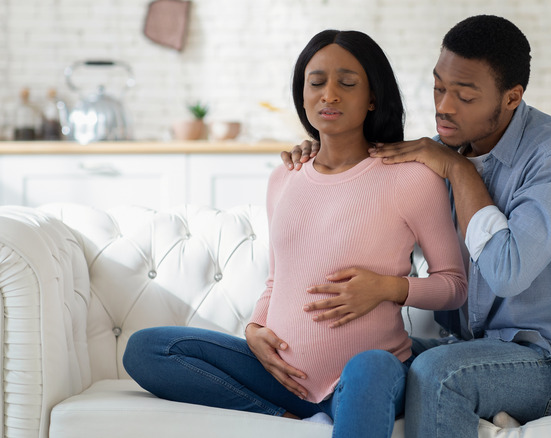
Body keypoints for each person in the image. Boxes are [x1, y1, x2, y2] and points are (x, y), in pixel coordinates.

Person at [282, 15, 551, 437]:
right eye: (439, 87)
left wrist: (460, 171)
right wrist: (325, 153)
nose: (444, 106)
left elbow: (507, 271)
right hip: (470, 349)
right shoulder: (442, 149)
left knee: (439, 373)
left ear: (512, 97)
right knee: (370, 362)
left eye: (464, 95)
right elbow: (382, 226)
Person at [123, 29, 467, 438]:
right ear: (302, 95)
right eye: (316, 83)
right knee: (147, 349)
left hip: (362, 377)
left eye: (348, 83)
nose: (330, 95)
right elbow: (278, 280)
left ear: (372, 97)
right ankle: (281, 416)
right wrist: (255, 330)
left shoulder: (411, 179)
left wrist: (387, 287)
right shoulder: (284, 177)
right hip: (281, 378)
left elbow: (454, 285)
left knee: (371, 366)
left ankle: (329, 410)